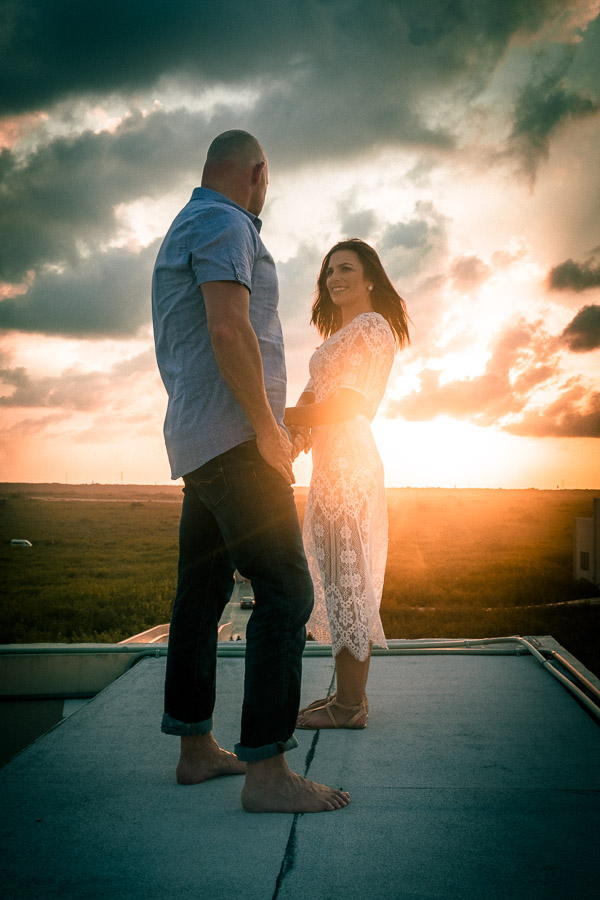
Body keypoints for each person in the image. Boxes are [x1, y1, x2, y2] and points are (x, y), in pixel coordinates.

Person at [151, 130, 349, 813]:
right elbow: (229, 328)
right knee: (286, 591)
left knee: (201, 595)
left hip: (201, 440)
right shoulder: (224, 221)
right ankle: (268, 772)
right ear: (258, 173)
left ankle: (195, 749)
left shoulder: (191, 220)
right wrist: (269, 431)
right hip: (236, 441)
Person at [285, 239, 409, 729]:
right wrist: (287, 439)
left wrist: (277, 414)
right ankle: (345, 698)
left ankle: (350, 706)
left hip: (351, 468)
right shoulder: (338, 336)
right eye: (329, 271)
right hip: (328, 470)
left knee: (351, 582)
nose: (334, 278)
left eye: (346, 269)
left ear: (370, 278)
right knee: (337, 584)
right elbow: (312, 400)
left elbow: (347, 406)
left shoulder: (373, 328)